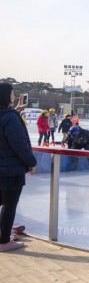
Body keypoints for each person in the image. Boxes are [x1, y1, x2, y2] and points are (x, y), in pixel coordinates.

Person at [0, 83, 37, 251]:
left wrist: (16, 109)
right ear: (7, 96)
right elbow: (19, 144)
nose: (14, 96)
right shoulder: (10, 117)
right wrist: (31, 162)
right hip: (10, 170)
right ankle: (4, 241)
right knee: (9, 205)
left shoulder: (8, 115)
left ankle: (4, 233)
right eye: (12, 93)